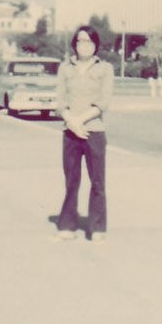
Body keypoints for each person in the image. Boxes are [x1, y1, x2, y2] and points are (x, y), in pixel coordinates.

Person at [54, 25, 114, 242]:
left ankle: (97, 228)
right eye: (80, 41)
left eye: (88, 41)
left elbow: (104, 102)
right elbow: (60, 101)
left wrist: (80, 120)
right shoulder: (65, 68)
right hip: (70, 132)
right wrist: (71, 121)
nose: (84, 45)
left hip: (94, 131)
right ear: (74, 44)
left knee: (97, 181)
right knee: (71, 180)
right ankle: (67, 226)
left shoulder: (105, 69)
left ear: (95, 45)